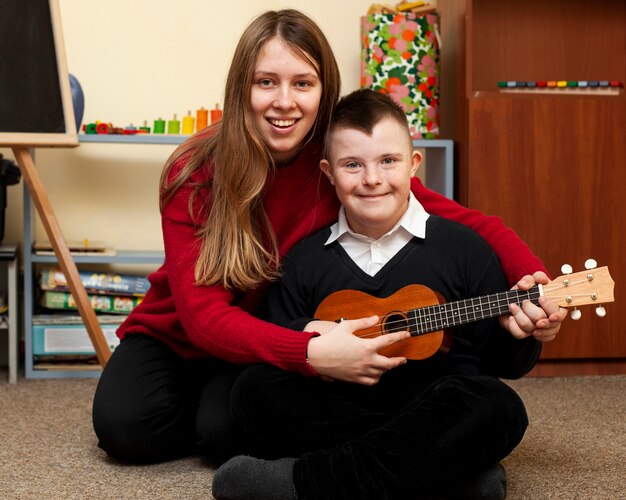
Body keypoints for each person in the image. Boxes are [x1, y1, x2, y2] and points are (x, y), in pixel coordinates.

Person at [92, 9, 563, 468]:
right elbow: (204, 318)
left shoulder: (342, 162)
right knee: (126, 429)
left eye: (302, 83)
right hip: (184, 335)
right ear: (242, 88)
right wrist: (311, 352)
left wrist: (534, 281)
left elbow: (469, 222)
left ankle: (377, 455)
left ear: (324, 91)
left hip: (272, 328)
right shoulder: (194, 171)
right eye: (266, 82)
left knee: (225, 433)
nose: (284, 101)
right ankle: (425, 454)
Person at [211, 89, 566, 500]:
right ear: (328, 171)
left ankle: (303, 483)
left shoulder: (465, 248)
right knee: (253, 391)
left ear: (414, 164)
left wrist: (524, 333)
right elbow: (282, 338)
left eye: (388, 161)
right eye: (352, 165)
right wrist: (313, 336)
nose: (372, 179)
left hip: (434, 404)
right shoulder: (304, 259)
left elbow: (501, 361)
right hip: (343, 405)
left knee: (496, 405)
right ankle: (446, 476)